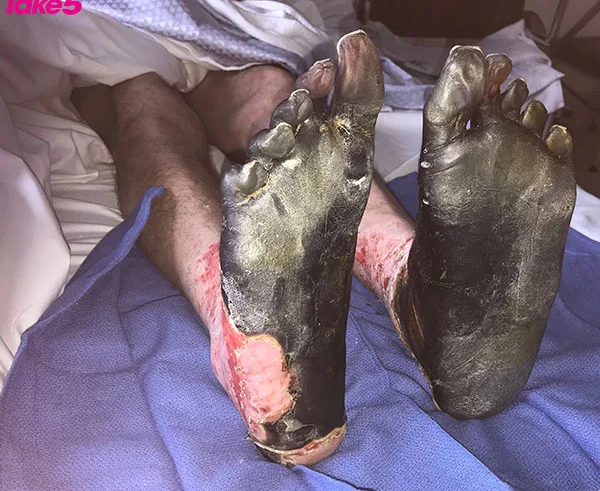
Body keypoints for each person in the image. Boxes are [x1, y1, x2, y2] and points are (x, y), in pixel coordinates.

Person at [70, 31, 575, 466]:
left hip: (174, 32)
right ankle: (406, 279)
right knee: (243, 102)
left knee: (248, 111)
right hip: (129, 26)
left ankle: (251, 338)